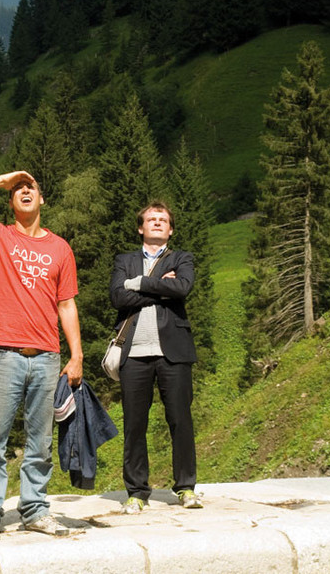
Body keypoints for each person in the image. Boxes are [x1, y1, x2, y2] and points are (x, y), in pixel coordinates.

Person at [0, 171, 83, 542]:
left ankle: (35, 510)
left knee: (40, 442)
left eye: (32, 187)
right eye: (19, 189)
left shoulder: (60, 248)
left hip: (46, 357)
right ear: (11, 201)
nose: (25, 191)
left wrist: (77, 355)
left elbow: (66, 303)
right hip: (4, 355)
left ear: (42, 201)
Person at [109, 201, 203, 514]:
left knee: (180, 420)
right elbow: (117, 296)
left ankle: (186, 488)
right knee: (135, 423)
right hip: (133, 353)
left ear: (171, 229)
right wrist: (162, 285)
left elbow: (183, 288)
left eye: (163, 220)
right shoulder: (125, 260)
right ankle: (137, 492)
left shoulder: (182, 257)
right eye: (152, 219)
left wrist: (139, 283)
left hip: (173, 352)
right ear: (141, 227)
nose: (158, 223)